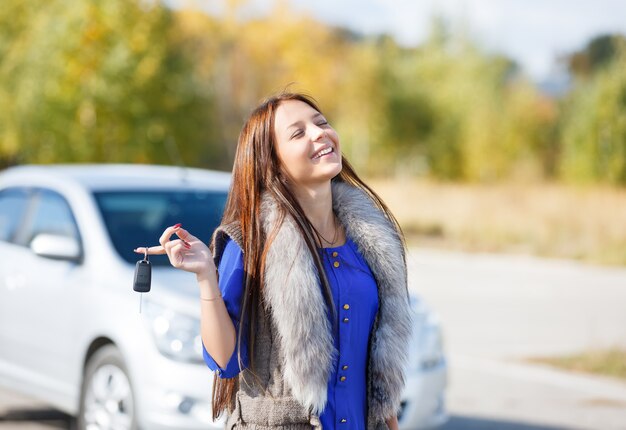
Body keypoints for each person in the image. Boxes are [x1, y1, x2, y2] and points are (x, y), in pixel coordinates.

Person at [134, 92, 413, 430]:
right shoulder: (251, 242)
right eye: (298, 133)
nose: (320, 133)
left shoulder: (371, 241)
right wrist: (206, 275)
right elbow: (225, 360)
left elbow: (377, 373)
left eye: (322, 123)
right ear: (272, 161)